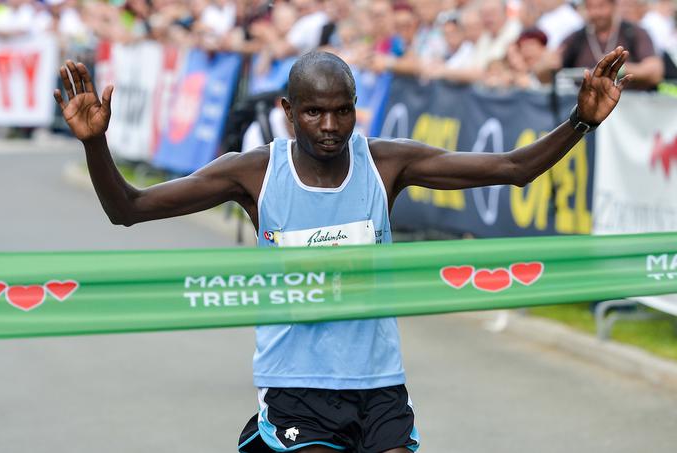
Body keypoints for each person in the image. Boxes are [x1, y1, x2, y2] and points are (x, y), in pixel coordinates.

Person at [55, 47, 632, 453]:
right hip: (295, 382)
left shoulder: (385, 164)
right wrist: (97, 145)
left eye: (342, 110)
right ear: (287, 112)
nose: (330, 125)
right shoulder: (255, 174)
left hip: (378, 381)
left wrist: (580, 122)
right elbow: (127, 208)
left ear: (358, 107)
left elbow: (513, 169)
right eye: (313, 111)